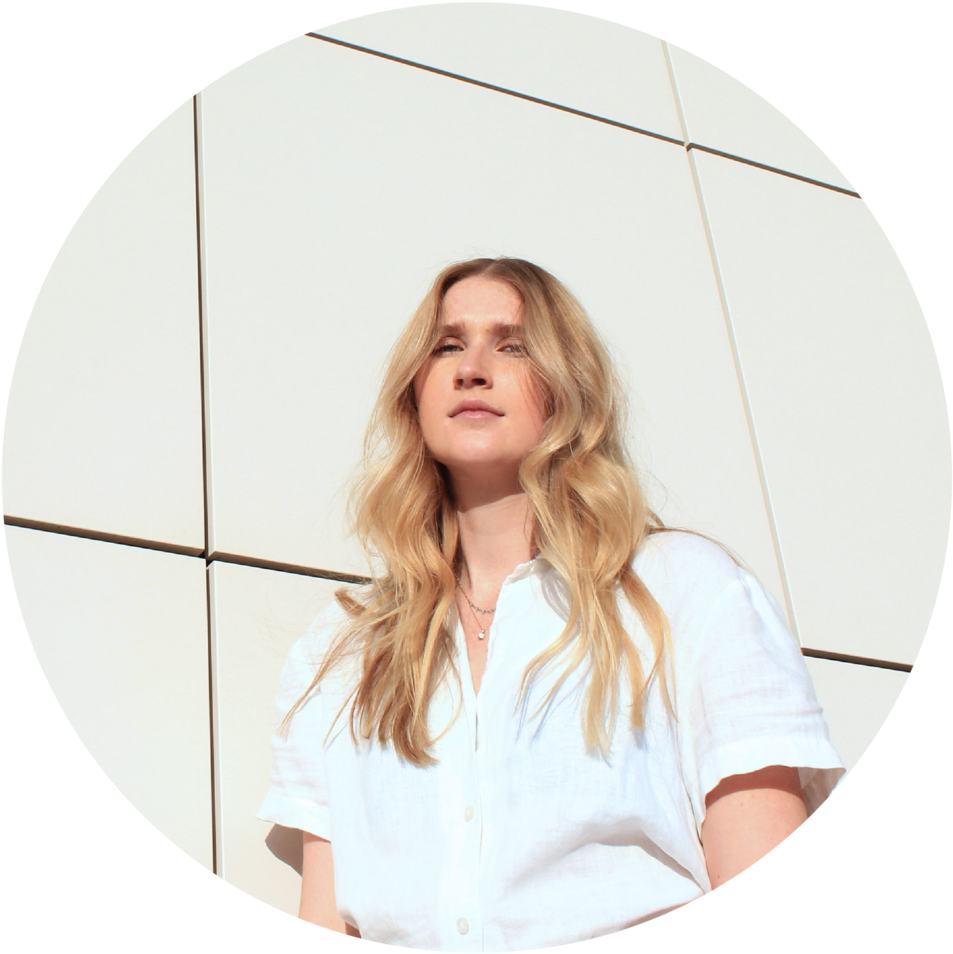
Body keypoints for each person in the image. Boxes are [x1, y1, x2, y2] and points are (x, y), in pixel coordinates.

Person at [257, 257, 844, 948]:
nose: (471, 368)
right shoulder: (345, 650)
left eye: (512, 345)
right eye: (447, 345)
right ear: (413, 392)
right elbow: (331, 913)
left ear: (568, 388)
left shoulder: (683, 590)